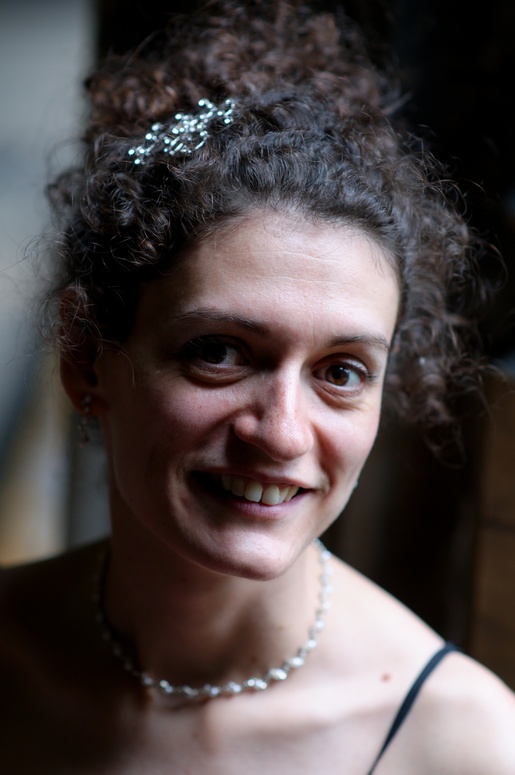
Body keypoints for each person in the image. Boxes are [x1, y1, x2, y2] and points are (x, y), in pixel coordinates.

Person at [1, 1, 514, 772]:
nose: (280, 432)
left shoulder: (457, 744)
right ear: (85, 355)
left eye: (340, 372)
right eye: (219, 352)